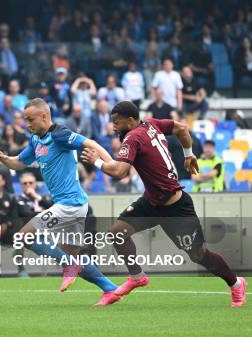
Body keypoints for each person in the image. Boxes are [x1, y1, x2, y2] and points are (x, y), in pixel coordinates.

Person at [81, 101, 247, 307]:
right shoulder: (150, 124)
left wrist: (96, 161)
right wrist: (189, 154)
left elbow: (119, 172)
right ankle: (137, 276)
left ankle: (236, 283)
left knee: (199, 255)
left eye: (117, 122)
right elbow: (181, 128)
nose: (113, 126)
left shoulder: (133, 137)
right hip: (152, 202)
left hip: (175, 206)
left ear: (131, 121)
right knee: (117, 231)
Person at [0, 98, 122, 306]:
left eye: (30, 119)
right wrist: (4, 158)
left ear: (44, 116)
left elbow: (91, 143)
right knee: (74, 258)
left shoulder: (60, 135)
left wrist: (112, 163)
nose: (27, 124)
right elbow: (18, 163)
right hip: (73, 205)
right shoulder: (36, 140)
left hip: (69, 204)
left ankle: (70, 265)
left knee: (24, 236)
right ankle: (110, 289)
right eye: (25, 119)